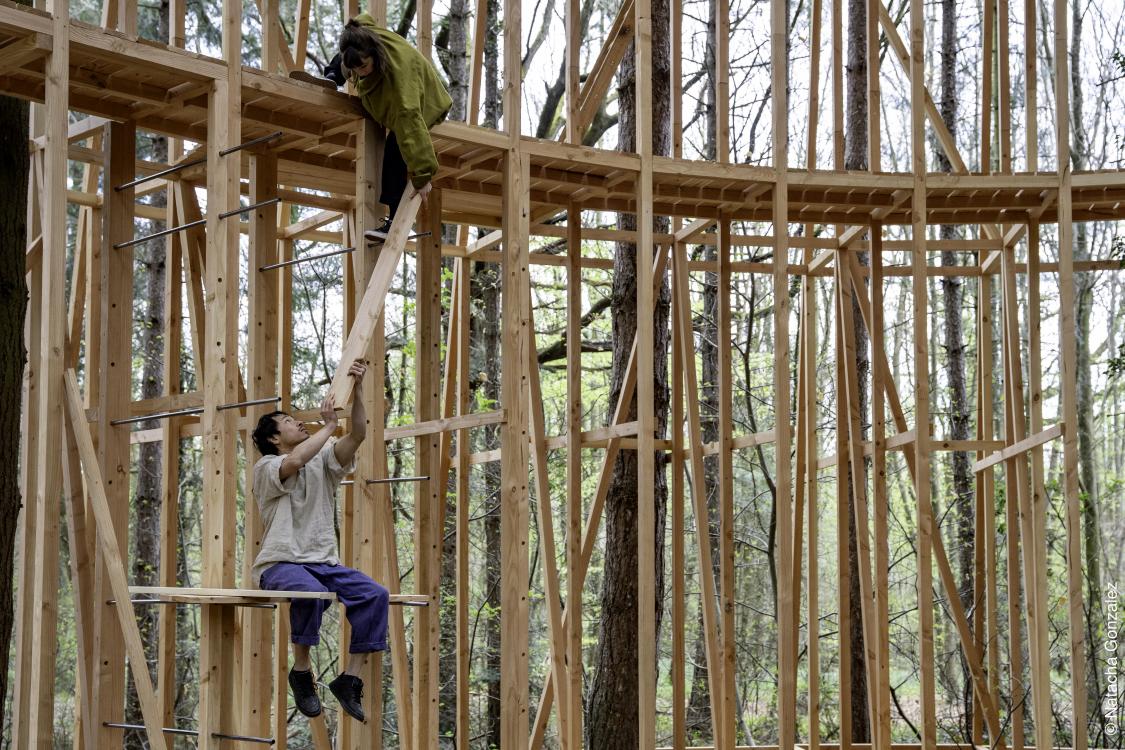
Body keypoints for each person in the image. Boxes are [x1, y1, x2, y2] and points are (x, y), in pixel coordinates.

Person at [250, 359, 383, 723]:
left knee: (375, 595)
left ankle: (350, 678)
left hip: (324, 562)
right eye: (289, 422)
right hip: (280, 563)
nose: (297, 422)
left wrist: (356, 393)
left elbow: (356, 436)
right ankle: (302, 673)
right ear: (274, 438)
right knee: (309, 591)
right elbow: (294, 462)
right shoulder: (265, 469)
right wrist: (327, 427)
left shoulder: (323, 457)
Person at [336, 15, 452, 242]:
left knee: (394, 152)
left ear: (374, 55)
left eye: (363, 66)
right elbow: (363, 20)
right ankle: (332, 74)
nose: (360, 72)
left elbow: (411, 122)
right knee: (339, 62)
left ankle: (394, 222)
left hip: (426, 102)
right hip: (393, 95)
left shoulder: (399, 84)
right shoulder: (361, 37)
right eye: (355, 69)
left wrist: (423, 175)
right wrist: (341, 71)